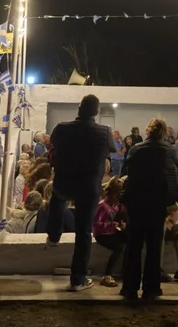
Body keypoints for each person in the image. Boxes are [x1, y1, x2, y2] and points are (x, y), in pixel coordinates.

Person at [47, 94, 116, 292]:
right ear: (96, 112)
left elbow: (52, 145)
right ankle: (78, 280)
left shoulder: (61, 128)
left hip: (64, 181)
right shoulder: (104, 131)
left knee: (57, 198)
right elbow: (111, 149)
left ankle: (53, 235)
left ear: (79, 109)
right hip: (88, 187)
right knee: (84, 232)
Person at [120, 118, 178, 301]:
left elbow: (126, 176)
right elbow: (173, 181)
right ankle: (151, 288)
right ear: (164, 133)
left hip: (136, 203)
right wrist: (167, 203)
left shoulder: (135, 149)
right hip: (157, 204)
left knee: (134, 246)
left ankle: (129, 288)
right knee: (154, 248)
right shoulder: (169, 151)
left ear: (147, 131)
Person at [92, 177, 127, 288]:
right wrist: (110, 225)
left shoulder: (116, 206)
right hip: (102, 235)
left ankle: (125, 270)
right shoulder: (102, 206)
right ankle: (107, 274)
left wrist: (121, 224)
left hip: (111, 232)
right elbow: (96, 224)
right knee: (118, 248)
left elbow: (117, 219)